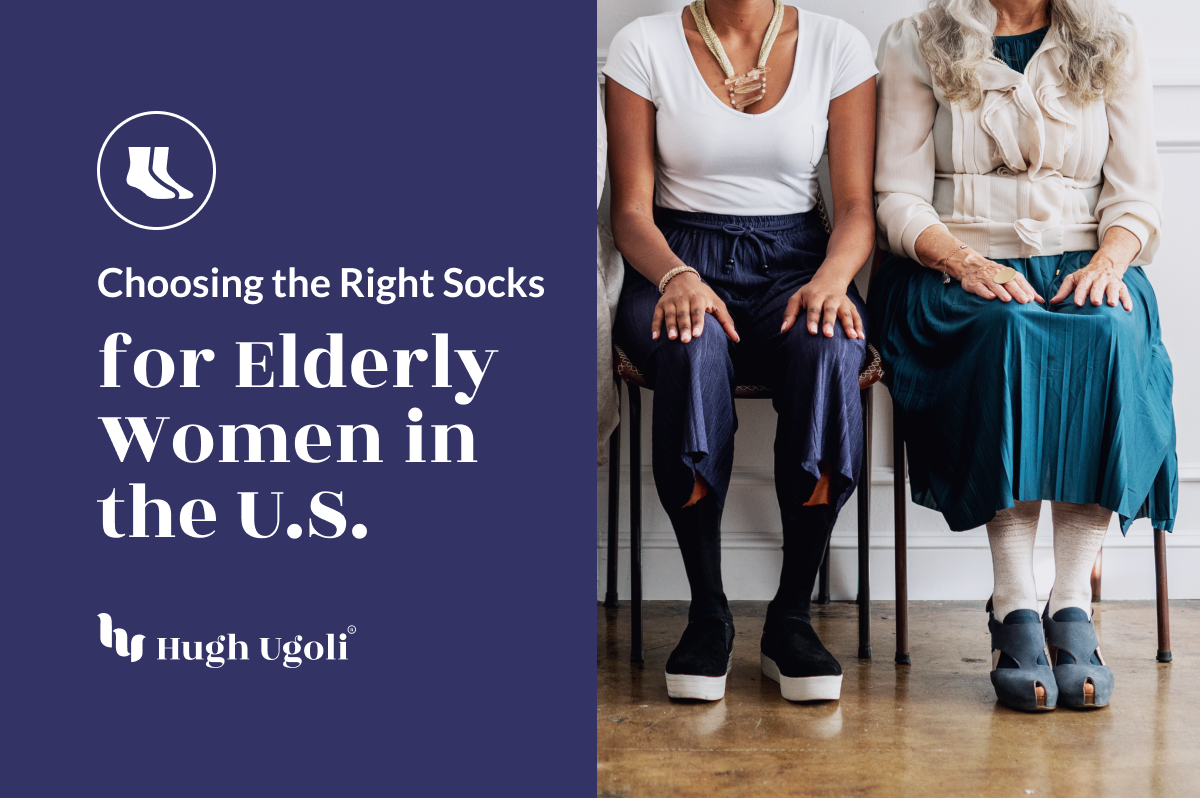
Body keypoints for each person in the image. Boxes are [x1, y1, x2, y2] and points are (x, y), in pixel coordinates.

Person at [870, 0, 1176, 711]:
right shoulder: (916, 38)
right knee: (1009, 333)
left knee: (1102, 334)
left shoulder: (1115, 37)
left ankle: (1070, 601)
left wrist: (1110, 260)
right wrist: (962, 260)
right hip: (953, 268)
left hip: (1085, 259)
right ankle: (1013, 601)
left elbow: (1137, 196)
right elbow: (898, 199)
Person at [604, 0, 877, 702]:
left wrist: (831, 281)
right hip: (676, 255)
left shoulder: (838, 45)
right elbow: (630, 211)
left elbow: (853, 209)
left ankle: (791, 618)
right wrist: (676, 276)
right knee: (689, 344)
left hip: (799, 258)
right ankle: (708, 613)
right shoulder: (642, 44)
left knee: (831, 349)